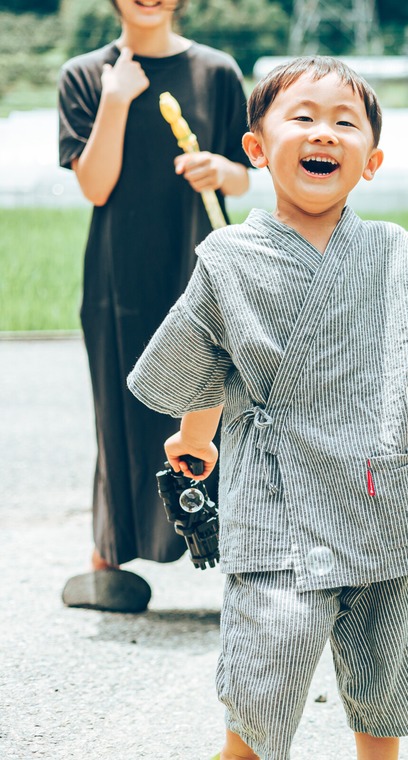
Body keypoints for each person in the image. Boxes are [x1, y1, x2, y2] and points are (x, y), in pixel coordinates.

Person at [127, 56, 408, 760]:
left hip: (376, 491)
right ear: (258, 149)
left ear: (371, 160)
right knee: (267, 665)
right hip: (276, 499)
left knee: (384, 674)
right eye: (302, 117)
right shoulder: (227, 258)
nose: (323, 132)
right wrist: (197, 439)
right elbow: (211, 363)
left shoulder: (395, 253)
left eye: (343, 122)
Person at [58, 0, 251, 612]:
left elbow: (247, 173)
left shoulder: (217, 71)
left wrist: (219, 167)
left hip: (201, 269)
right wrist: (117, 96)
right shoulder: (87, 76)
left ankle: (241, 553)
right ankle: (111, 554)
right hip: (120, 277)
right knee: (120, 404)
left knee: (216, 408)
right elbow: (95, 185)